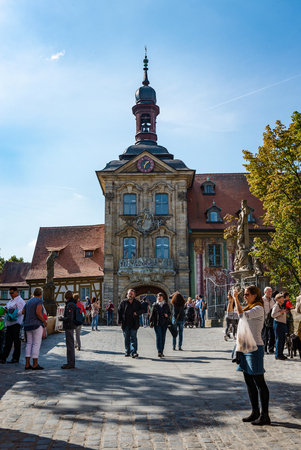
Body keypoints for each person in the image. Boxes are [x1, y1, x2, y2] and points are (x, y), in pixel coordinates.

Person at [233, 286, 270, 426]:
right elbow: (232, 315)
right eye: (243, 295)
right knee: (249, 381)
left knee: (259, 381)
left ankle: (265, 415)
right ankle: (255, 411)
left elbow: (242, 316)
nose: (245, 296)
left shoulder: (258, 308)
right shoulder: (248, 307)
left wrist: (236, 298)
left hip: (254, 347)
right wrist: (232, 301)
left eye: (247, 294)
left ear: (255, 295)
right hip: (244, 346)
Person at [23, 287, 46, 370]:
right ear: (41, 294)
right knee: (36, 344)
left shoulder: (28, 301)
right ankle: (35, 364)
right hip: (36, 324)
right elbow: (38, 312)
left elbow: (23, 312)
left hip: (27, 324)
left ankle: (27, 364)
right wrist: (44, 321)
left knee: (29, 344)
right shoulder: (39, 300)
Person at [0, 287, 25, 364]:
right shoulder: (11, 301)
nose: (10, 294)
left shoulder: (20, 301)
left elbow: (22, 311)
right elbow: (6, 307)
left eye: (12, 293)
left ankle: (15, 358)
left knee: (16, 341)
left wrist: (10, 311)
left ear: (16, 292)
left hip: (16, 323)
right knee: (8, 341)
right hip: (9, 323)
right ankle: (4, 357)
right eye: (10, 293)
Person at [117, 289, 144, 358]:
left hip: (134, 323)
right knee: (126, 338)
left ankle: (134, 352)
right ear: (127, 294)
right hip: (125, 323)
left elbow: (142, 310)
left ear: (134, 295)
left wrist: (137, 313)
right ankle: (127, 351)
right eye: (129, 294)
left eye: (131, 294)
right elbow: (119, 311)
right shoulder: (123, 302)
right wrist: (119, 321)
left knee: (133, 338)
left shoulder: (137, 302)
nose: (130, 295)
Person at [59, 290, 77, 369]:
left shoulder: (69, 305)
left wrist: (61, 318)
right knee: (71, 344)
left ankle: (70, 363)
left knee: (70, 345)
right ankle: (70, 362)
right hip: (71, 326)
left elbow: (69, 318)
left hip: (69, 326)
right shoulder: (72, 303)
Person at [149, 293, 171, 357]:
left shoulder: (166, 305)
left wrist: (167, 315)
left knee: (163, 338)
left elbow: (169, 313)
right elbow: (152, 314)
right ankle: (159, 351)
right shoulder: (155, 305)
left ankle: (162, 350)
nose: (159, 298)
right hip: (157, 323)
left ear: (163, 298)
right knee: (159, 337)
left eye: (160, 296)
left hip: (164, 323)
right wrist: (151, 323)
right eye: (158, 296)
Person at [271, 293, 287, 361]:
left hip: (282, 324)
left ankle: (281, 354)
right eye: (282, 298)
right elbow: (273, 315)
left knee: (282, 339)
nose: (283, 299)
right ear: (278, 299)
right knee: (279, 339)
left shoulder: (280, 306)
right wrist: (280, 312)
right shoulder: (276, 306)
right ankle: (277, 355)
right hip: (278, 324)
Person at [262, 287, 275, 354]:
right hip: (264, 319)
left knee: (271, 334)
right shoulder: (262, 299)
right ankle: (264, 349)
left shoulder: (272, 300)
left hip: (271, 319)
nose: (270, 292)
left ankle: (271, 349)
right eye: (268, 291)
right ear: (265, 292)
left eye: (271, 291)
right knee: (265, 335)